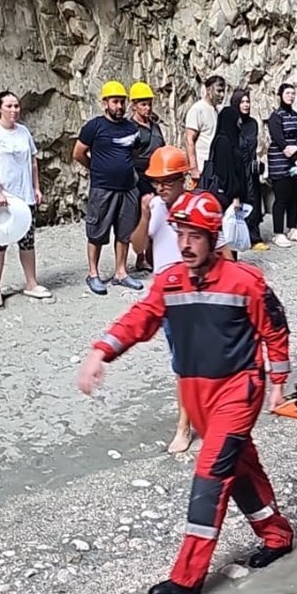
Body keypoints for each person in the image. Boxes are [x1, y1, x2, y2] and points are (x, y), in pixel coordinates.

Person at [78, 191, 295, 594]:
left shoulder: (245, 281)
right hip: (196, 394)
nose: (185, 243)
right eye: (181, 233)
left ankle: (186, 578)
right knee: (239, 467)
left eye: (196, 235)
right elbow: (139, 319)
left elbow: (275, 329)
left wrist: (279, 382)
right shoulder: (170, 280)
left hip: (238, 390)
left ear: (213, 237)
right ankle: (276, 534)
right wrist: (100, 351)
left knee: (211, 475)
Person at [128, 146, 194, 455]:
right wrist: (144, 213)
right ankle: (184, 424)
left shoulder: (199, 207)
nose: (161, 187)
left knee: (203, 360)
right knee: (182, 363)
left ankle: (199, 417)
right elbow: (139, 246)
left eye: (168, 180)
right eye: (158, 181)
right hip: (168, 295)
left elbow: (223, 253)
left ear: (183, 179)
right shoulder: (155, 207)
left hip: (197, 290)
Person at [0, 90, 51, 307]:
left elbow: (32, 162)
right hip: (3, 197)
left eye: (16, 106)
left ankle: (31, 283)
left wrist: (36, 188)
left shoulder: (23, 132)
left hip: (24, 195)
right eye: (9, 106)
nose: (14, 110)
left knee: (27, 241)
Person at [72, 80, 144, 295]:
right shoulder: (94, 127)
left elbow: (134, 152)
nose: (119, 106)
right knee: (97, 231)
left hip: (128, 189)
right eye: (115, 102)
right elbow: (78, 153)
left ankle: (120, 272)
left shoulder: (132, 128)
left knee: (124, 232)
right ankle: (93, 274)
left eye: (122, 102)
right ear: (105, 103)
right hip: (103, 189)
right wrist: (97, 170)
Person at [128, 81, 165, 271]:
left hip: (157, 175)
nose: (147, 107)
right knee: (141, 216)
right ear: (134, 105)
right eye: (143, 104)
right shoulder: (130, 128)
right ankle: (141, 257)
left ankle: (155, 255)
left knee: (159, 214)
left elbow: (162, 147)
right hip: (138, 176)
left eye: (149, 103)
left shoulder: (155, 126)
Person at [266, 83, 297, 248]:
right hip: (280, 162)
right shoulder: (276, 116)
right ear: (280, 95)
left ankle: (293, 228)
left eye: (293, 93)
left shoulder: (296, 116)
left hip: (296, 160)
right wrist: (294, 157)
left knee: (293, 197)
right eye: (287, 93)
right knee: (281, 197)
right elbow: (279, 139)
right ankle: (278, 232)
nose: (291, 96)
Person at [231, 89, 266, 250]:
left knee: (253, 200)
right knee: (238, 201)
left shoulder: (252, 124)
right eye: (242, 102)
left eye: (247, 102)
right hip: (236, 167)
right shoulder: (230, 123)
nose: (246, 105)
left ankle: (255, 236)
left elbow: (254, 146)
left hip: (250, 167)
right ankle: (238, 237)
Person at [184, 75, 225, 180]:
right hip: (202, 167)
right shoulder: (197, 110)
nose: (222, 95)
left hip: (215, 166)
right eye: (219, 91)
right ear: (209, 90)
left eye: (223, 91)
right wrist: (194, 168)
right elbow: (189, 140)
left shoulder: (218, 111)